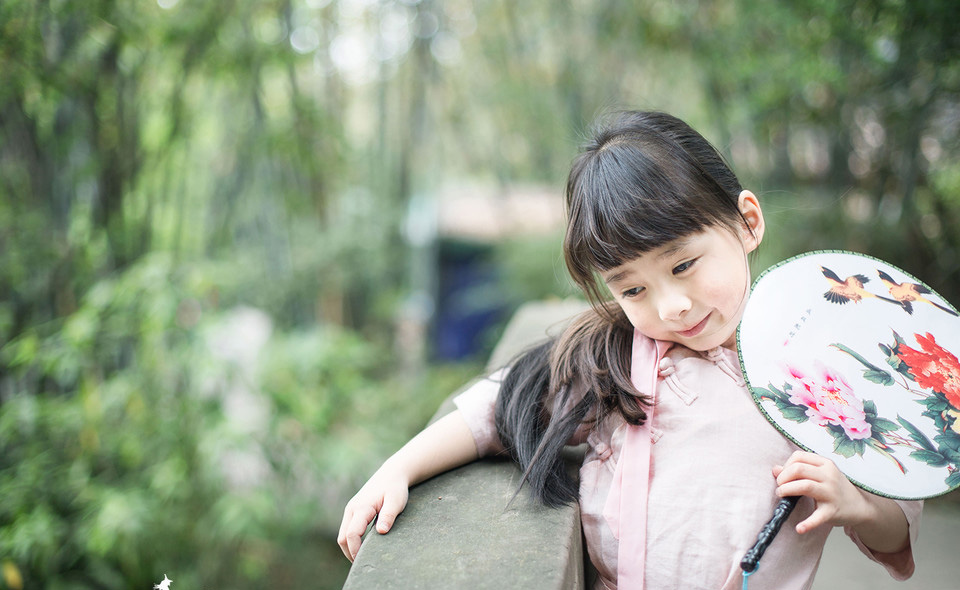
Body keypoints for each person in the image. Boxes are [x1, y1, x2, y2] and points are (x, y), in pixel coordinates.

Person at [337, 111, 921, 589]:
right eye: (633, 289)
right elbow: (494, 409)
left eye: (684, 265)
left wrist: (856, 504)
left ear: (746, 222)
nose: (671, 307)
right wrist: (398, 470)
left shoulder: (825, 373)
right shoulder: (614, 356)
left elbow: (896, 530)